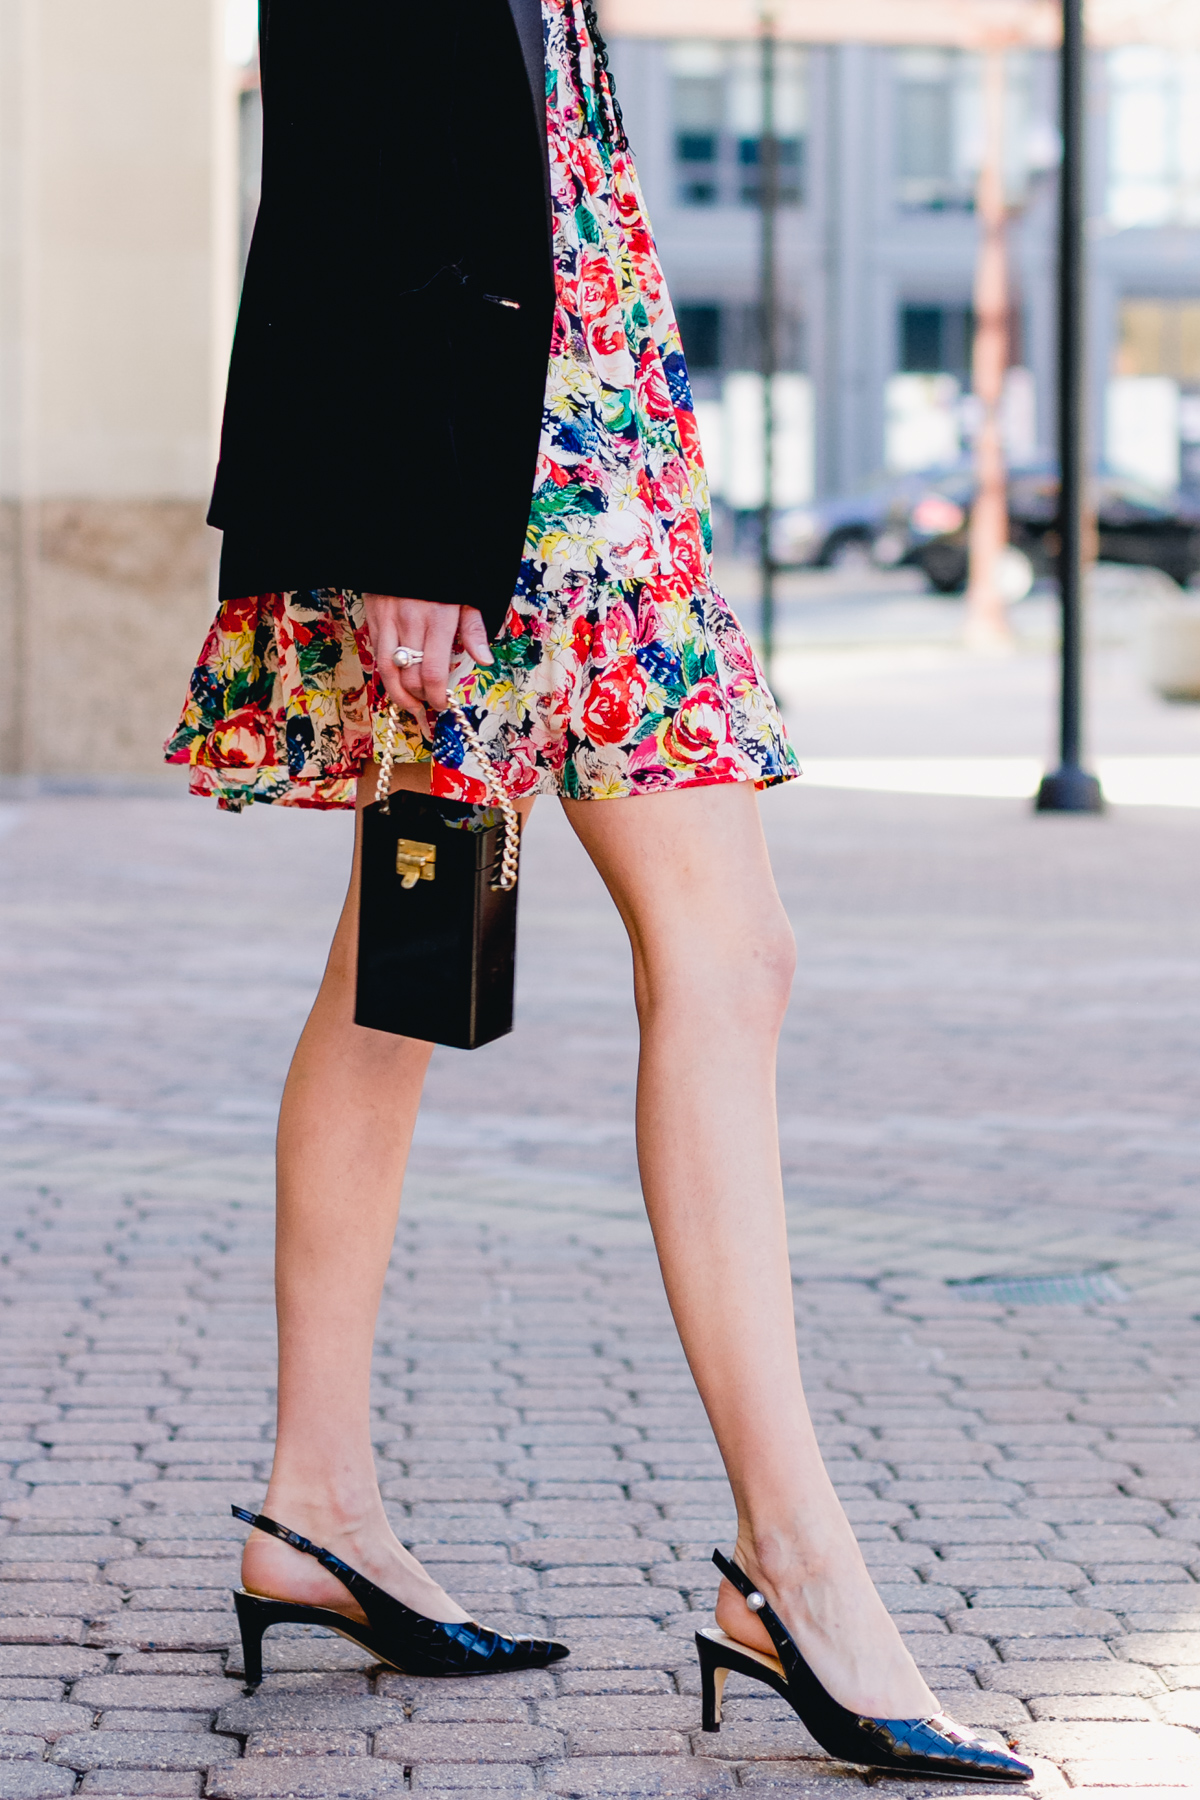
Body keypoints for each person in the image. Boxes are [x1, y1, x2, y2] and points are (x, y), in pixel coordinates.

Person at [167, 0, 1030, 1781]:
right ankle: (791, 1562)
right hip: (499, 465)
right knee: (719, 953)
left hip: (567, 411)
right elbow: (359, 116)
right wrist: (409, 530)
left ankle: (314, 1502)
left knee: (408, 951)